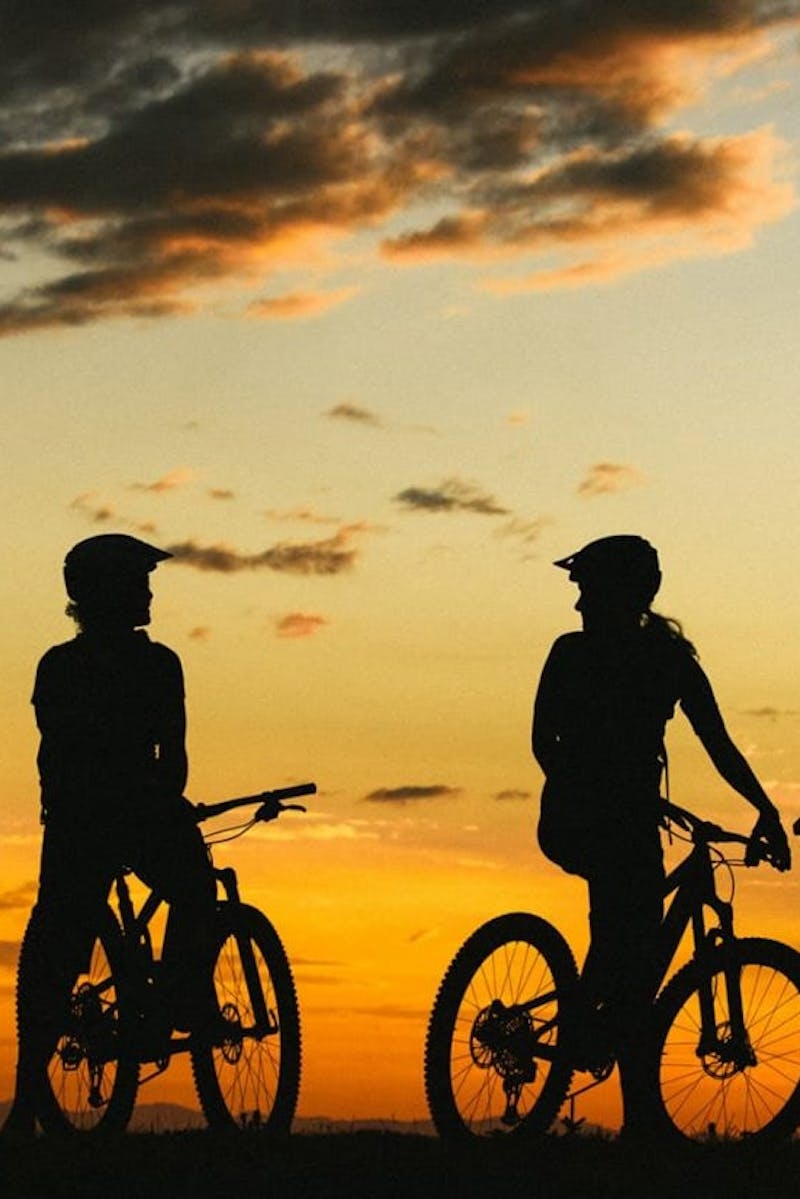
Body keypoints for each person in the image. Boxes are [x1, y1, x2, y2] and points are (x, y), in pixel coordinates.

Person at [531, 534, 790, 1136]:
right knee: (632, 936)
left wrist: (764, 808)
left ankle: (620, 1078)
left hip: (631, 819)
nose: (578, 607)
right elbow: (545, 743)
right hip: (579, 815)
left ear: (621, 593)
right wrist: (593, 785)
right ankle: (634, 1106)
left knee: (633, 955)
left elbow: (719, 743)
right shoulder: (570, 653)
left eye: (587, 592)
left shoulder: (669, 661)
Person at [3, 534, 219, 1137]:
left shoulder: (57, 667)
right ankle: (185, 997)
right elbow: (172, 763)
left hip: (74, 823)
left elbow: (56, 761)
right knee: (197, 889)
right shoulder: (158, 664)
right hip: (134, 816)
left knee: (56, 956)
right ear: (112, 593)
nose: (149, 591)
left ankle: (25, 1102)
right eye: (139, 581)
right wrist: (161, 804)